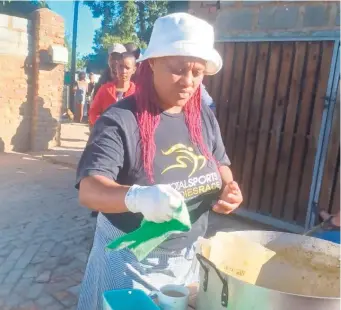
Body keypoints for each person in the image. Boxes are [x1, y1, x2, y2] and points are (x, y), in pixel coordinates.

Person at [76, 13, 243, 310]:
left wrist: (229, 188)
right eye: (177, 69)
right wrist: (137, 197)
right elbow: (89, 189)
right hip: (131, 263)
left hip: (188, 259)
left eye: (198, 71)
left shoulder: (202, 116)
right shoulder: (121, 119)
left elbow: (220, 164)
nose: (189, 82)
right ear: (151, 63)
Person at [89, 52, 136, 127]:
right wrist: (104, 126)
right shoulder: (105, 89)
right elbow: (93, 112)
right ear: (116, 67)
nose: (123, 71)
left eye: (127, 68)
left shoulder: (137, 93)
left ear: (134, 70)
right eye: (121, 67)